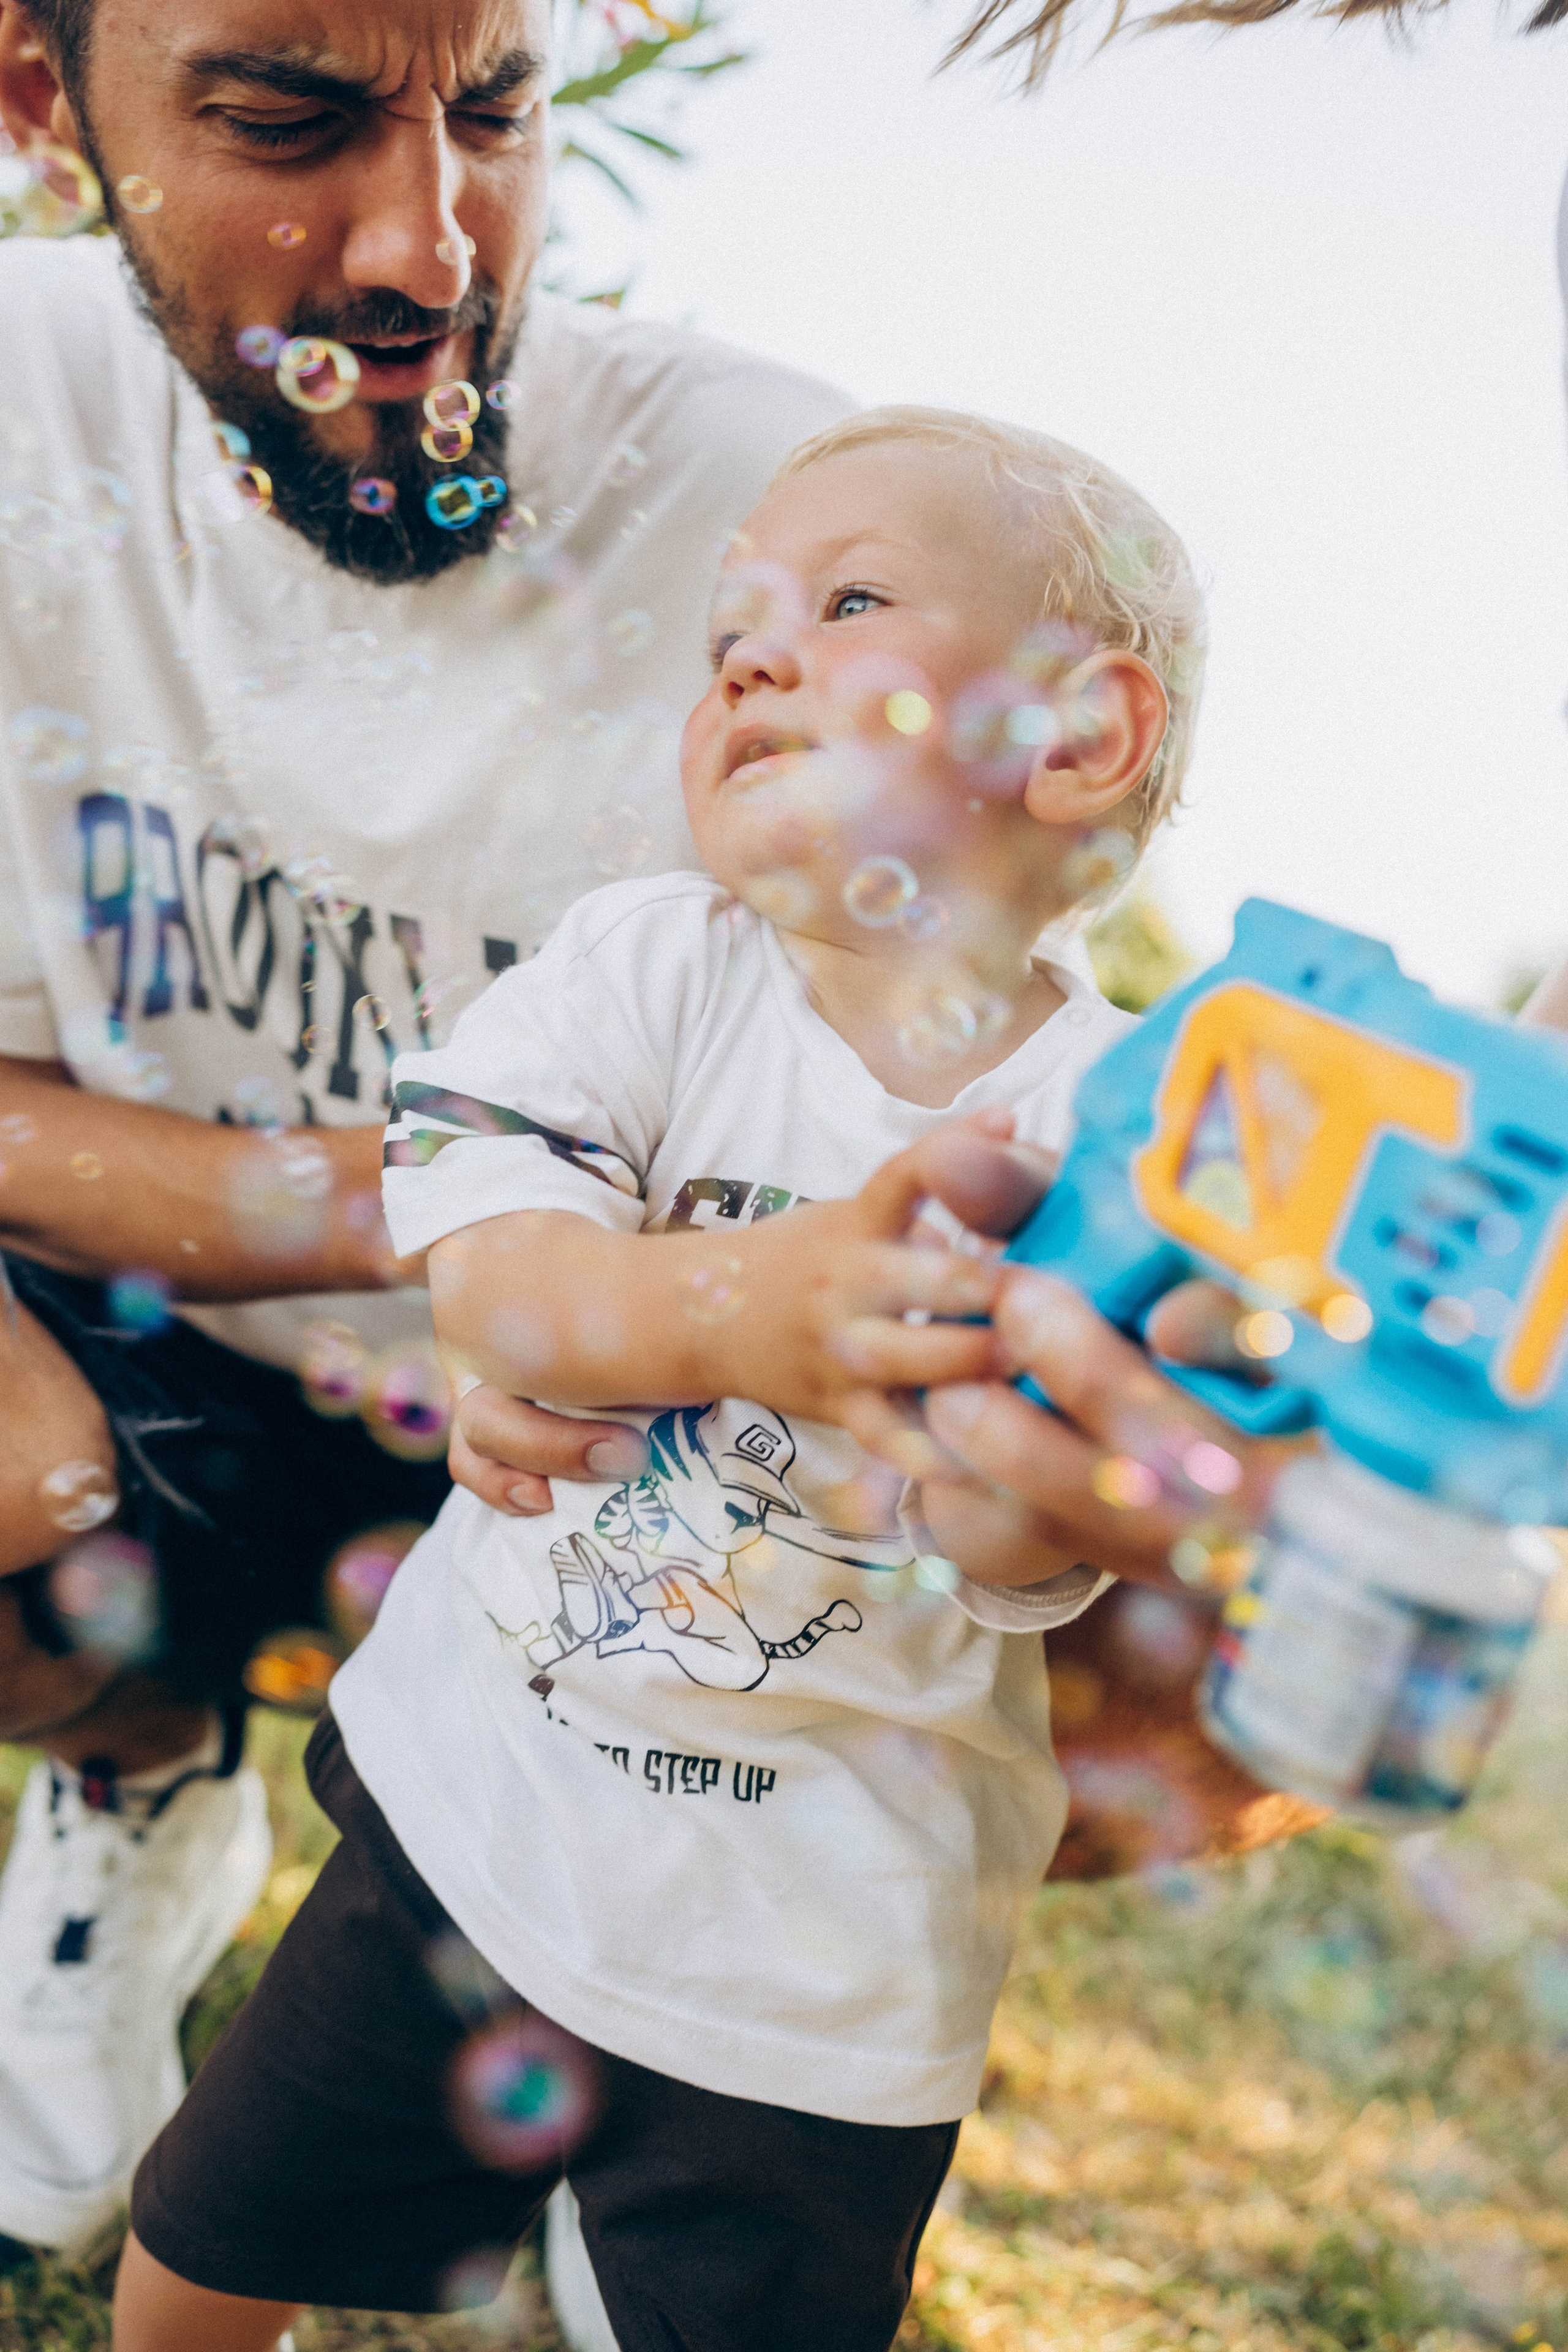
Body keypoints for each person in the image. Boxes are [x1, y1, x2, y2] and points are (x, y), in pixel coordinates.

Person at [111, 405, 1228, 2351]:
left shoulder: (1128, 1138)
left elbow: (1040, 1538)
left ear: (1077, 733)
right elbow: (503, 1276)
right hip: (493, 1814)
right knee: (217, 2234)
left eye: (846, 602)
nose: (749, 659)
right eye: (731, 632)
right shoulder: (651, 970)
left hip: (826, 1964)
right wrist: (745, 1314)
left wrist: (1029, 1485)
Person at [0, 0, 855, 2258]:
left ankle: (638, 2025)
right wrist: (483, 1193)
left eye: (492, 108)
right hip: (167, 1348)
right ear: (39, 108)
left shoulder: (790, 530)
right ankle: (133, 1762)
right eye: (288, 119)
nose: (427, 243)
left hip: (598, 1434)